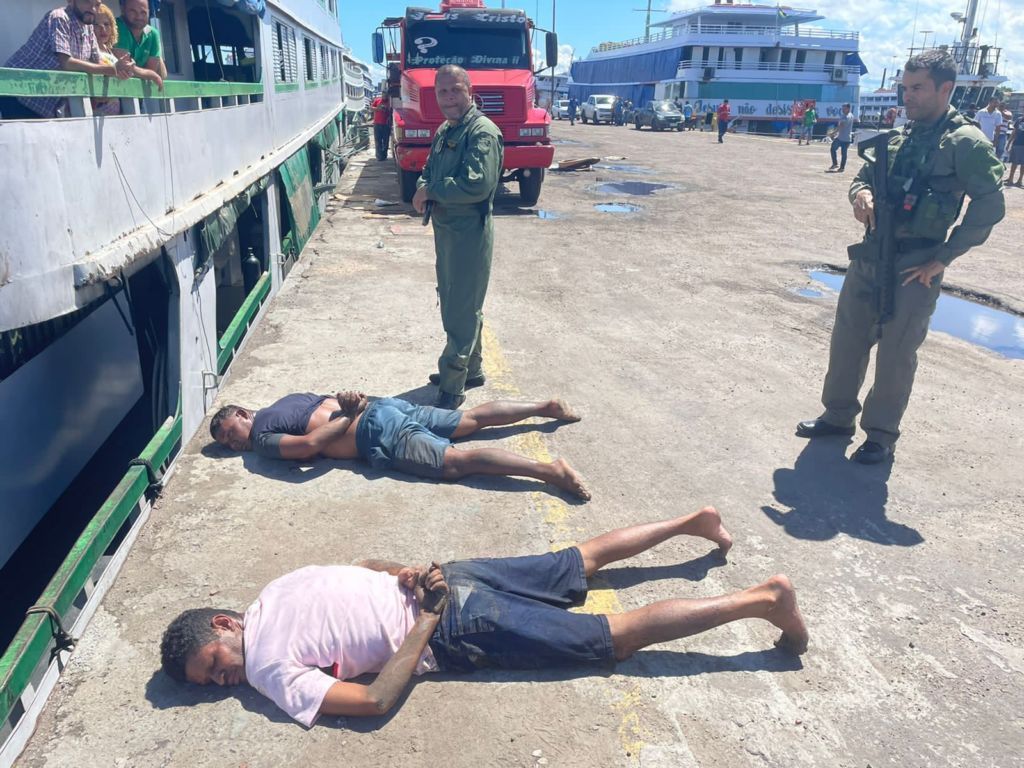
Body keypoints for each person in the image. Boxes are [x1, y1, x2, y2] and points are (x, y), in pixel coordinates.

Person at [160, 507, 809, 726]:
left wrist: (428, 616)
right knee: (578, 560)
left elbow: (375, 700)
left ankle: (762, 601)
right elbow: (361, 566)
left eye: (213, 666)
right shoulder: (277, 589)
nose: (221, 681)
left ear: (224, 625)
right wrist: (411, 574)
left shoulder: (267, 669)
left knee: (613, 636)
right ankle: (694, 521)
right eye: (209, 684)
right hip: (447, 575)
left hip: (450, 620)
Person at [797, 50, 1005, 464]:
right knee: (847, 341)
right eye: (905, 88)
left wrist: (944, 257)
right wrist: (860, 194)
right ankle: (837, 416)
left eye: (917, 88)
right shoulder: (898, 135)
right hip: (870, 255)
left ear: (946, 89)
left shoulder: (964, 142)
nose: (907, 96)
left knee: (896, 353)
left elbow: (990, 204)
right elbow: (862, 176)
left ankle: (880, 435)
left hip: (916, 264)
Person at [209, 390, 590, 499]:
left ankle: (549, 471)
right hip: (385, 407)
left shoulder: (261, 437)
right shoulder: (289, 399)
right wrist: (359, 405)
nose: (231, 443)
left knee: (457, 462)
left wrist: (349, 416)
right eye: (226, 443)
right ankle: (544, 406)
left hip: (374, 431)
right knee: (469, 420)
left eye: (229, 432)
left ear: (243, 414)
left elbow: (308, 445)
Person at [413, 65, 504, 410]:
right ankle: (473, 369)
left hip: (469, 232)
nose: (449, 98)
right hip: (447, 230)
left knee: (460, 310)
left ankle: (453, 384)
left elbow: (476, 185)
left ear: (469, 91)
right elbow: (428, 169)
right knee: (457, 300)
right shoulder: (446, 129)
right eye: (442, 91)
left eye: (455, 90)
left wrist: (431, 191)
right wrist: (424, 186)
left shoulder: (482, 132)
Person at [1, 0, 134, 119]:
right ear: (71, 1)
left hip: (43, 103)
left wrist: (124, 69)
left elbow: (98, 64)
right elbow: (67, 63)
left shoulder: (88, 29)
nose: (93, 9)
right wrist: (113, 69)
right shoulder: (59, 17)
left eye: (97, 4)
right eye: (87, 2)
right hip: (17, 94)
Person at [113, 0, 165, 87]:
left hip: (134, 91)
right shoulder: (117, 26)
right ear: (122, 9)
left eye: (143, 12)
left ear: (149, 11)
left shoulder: (153, 33)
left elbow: (153, 71)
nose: (139, 17)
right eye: (133, 11)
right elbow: (125, 67)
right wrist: (150, 74)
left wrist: (150, 74)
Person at [827, 103, 855, 173]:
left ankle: (836, 164)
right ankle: (840, 167)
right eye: (842, 108)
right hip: (846, 137)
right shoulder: (851, 115)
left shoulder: (846, 116)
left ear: (848, 108)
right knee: (842, 152)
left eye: (844, 108)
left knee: (834, 149)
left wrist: (833, 133)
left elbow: (841, 126)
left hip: (842, 138)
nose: (842, 110)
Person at [371, 91, 391, 161]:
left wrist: (386, 109)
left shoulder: (390, 102)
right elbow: (371, 108)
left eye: (386, 95)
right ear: (382, 95)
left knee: (386, 141)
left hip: (386, 124)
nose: (384, 96)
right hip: (377, 123)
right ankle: (379, 156)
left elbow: (392, 111)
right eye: (383, 95)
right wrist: (377, 108)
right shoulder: (377, 100)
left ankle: (384, 156)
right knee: (378, 140)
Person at [1005, 112, 1024, 187]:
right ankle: (1010, 179)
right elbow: (1014, 132)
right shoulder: (1019, 120)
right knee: (1014, 162)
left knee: (1023, 164)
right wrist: (1009, 142)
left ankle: (1020, 180)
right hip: (1017, 143)